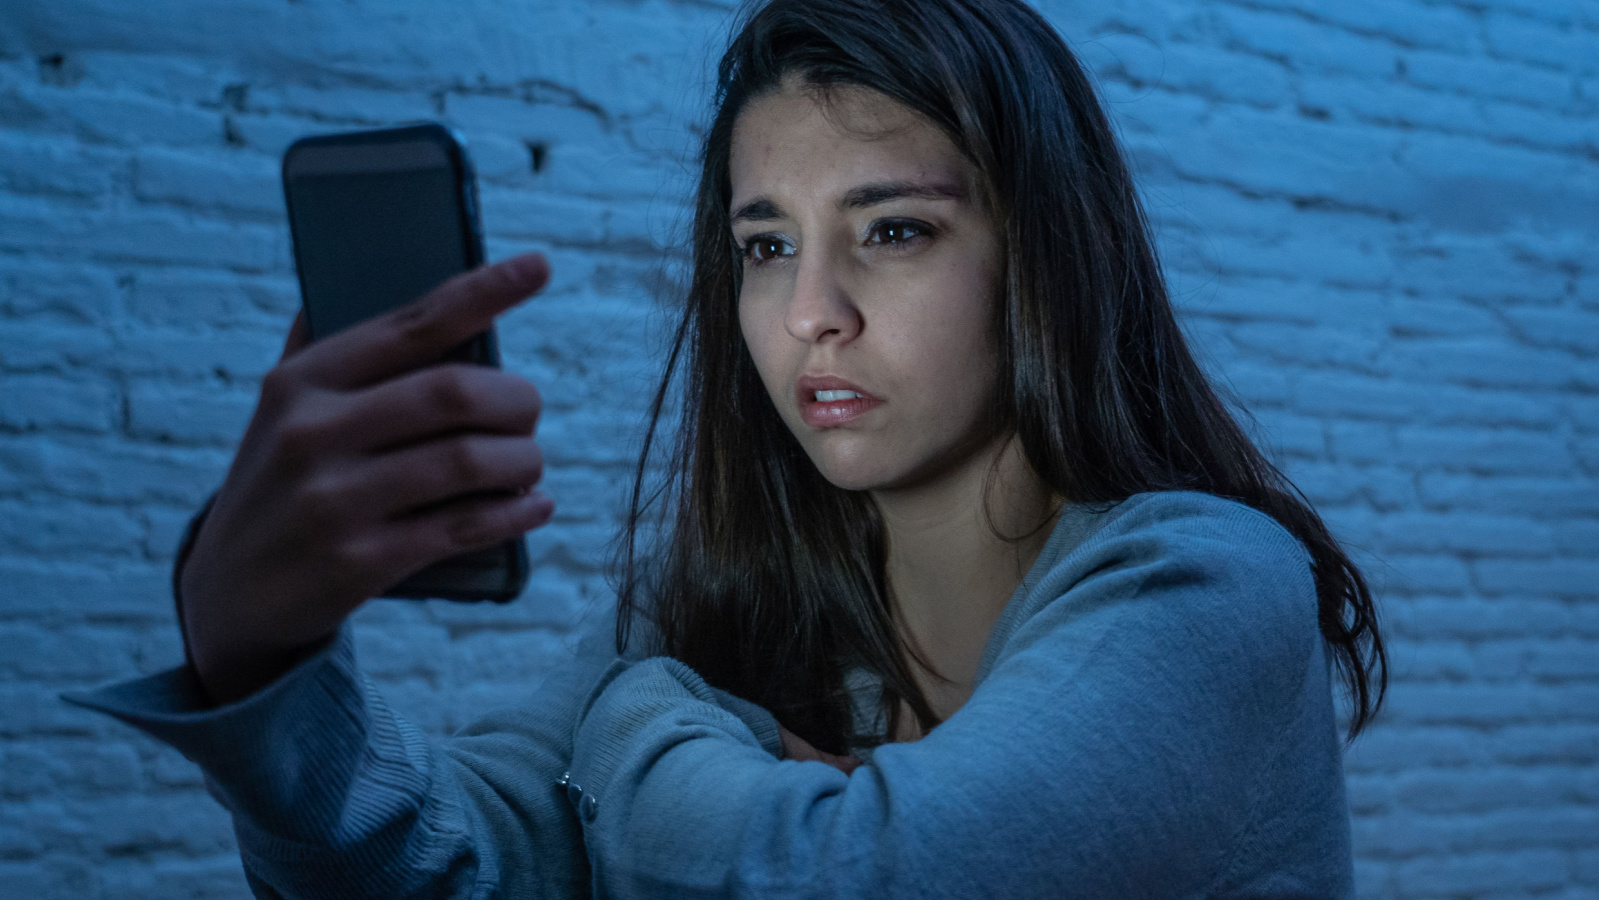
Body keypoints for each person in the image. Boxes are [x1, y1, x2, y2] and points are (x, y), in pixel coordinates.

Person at [65, 0, 1388, 896]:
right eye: (767, 246)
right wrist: (263, 656)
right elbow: (454, 867)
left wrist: (640, 714)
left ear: (1042, 257)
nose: (811, 311)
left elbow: (823, 878)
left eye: (894, 230)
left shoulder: (1208, 583)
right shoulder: (732, 589)